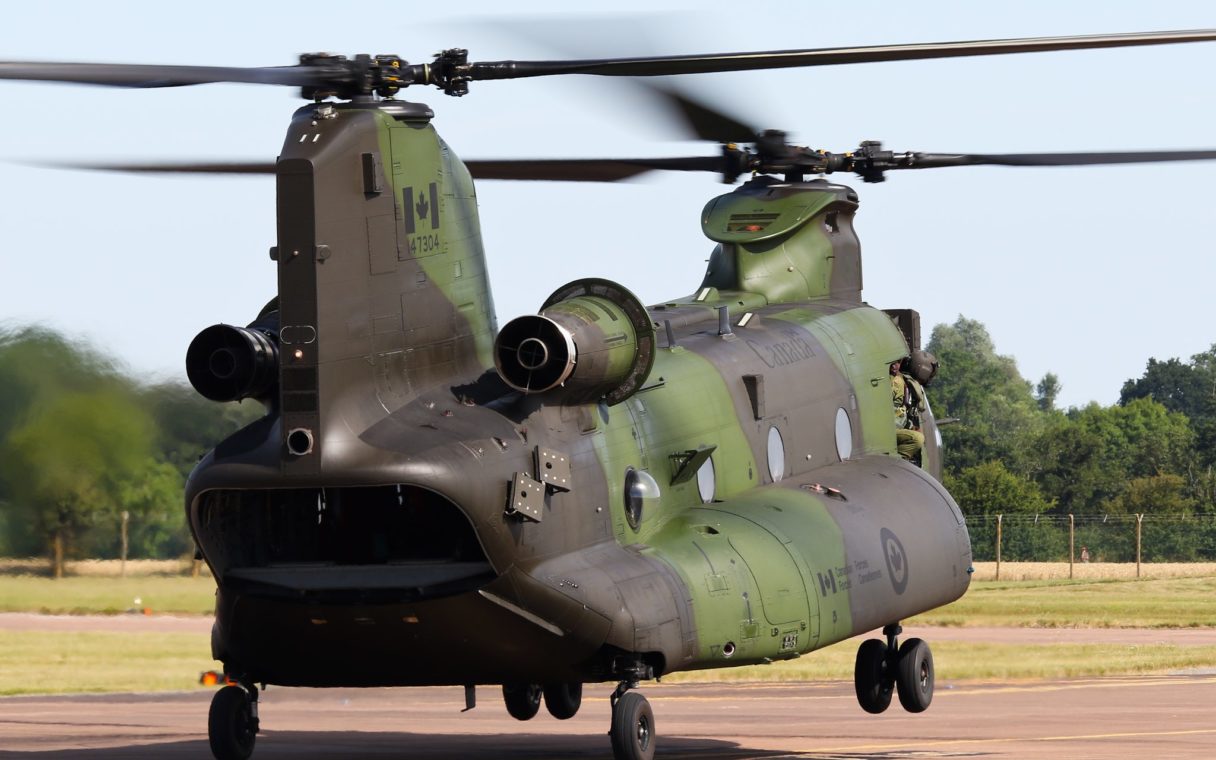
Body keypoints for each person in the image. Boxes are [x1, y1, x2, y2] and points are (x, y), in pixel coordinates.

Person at [891, 359, 926, 463]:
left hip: (895, 425)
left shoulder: (904, 383)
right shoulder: (898, 382)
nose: (894, 366)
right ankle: (895, 464)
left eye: (897, 362)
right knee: (917, 439)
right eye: (893, 363)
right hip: (887, 428)